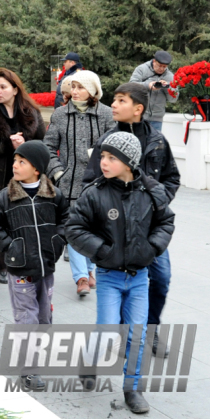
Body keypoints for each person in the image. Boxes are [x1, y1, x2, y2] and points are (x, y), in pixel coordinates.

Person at [66, 131, 175, 413]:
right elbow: (74, 228)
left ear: (129, 162)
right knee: (107, 330)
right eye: (102, 156)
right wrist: (102, 251)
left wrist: (152, 248)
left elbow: (166, 222)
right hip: (108, 277)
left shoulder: (152, 191)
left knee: (135, 335)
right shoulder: (95, 193)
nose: (103, 162)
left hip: (139, 278)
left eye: (111, 157)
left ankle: (133, 388)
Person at [83, 82, 181, 356]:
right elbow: (90, 181)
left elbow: (172, 177)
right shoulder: (106, 141)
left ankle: (150, 329)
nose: (113, 105)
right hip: (114, 228)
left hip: (147, 228)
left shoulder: (157, 141)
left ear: (138, 108)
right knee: (119, 285)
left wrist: (156, 203)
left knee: (161, 278)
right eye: (114, 99)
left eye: (121, 100)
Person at [0, 140, 69, 390]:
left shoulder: (54, 195)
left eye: (22, 162)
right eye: (14, 161)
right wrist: (11, 246)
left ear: (37, 170)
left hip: (46, 268)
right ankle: (28, 370)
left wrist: (58, 240)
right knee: (26, 318)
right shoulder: (5, 197)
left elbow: (66, 217)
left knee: (43, 318)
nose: (15, 166)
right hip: (19, 269)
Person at [44, 70, 114, 297]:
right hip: (68, 184)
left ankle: (91, 270)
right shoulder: (60, 114)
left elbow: (114, 146)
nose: (74, 91)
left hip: (99, 183)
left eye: (80, 87)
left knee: (95, 229)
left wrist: (100, 159)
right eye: (72, 87)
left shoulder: (105, 114)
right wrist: (58, 173)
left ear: (92, 90)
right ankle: (81, 277)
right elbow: (47, 147)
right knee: (74, 230)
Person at [0, 67, 46, 284]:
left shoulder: (31, 112)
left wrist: (26, 146)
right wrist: (7, 144)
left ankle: (23, 261)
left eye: (3, 87)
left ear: (15, 89)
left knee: (23, 223)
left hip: (25, 179)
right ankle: (3, 265)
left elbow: (43, 142)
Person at [129, 50, 177, 132]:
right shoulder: (142, 69)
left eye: (164, 67)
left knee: (155, 144)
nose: (161, 69)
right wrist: (148, 85)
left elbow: (173, 99)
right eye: (159, 65)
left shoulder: (170, 76)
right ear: (154, 61)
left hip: (157, 119)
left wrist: (167, 87)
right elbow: (131, 86)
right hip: (139, 115)